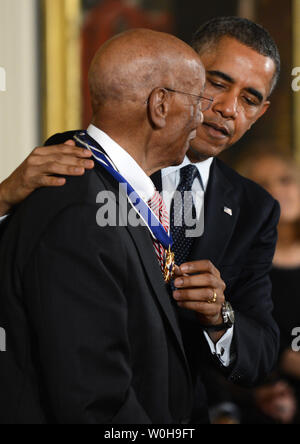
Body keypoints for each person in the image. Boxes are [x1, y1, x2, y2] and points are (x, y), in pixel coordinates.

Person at [0, 17, 281, 422]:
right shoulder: (76, 162)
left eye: (250, 98)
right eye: (217, 83)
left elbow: (263, 351)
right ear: (181, 76)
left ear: (260, 113)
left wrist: (221, 317)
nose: (226, 109)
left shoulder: (255, 210)